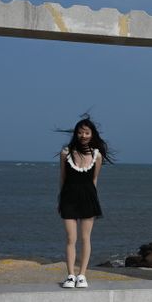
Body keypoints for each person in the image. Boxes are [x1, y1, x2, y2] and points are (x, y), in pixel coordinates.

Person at [57, 116, 112, 289]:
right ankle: (70, 275)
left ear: (92, 134)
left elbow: (94, 179)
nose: (83, 135)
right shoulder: (66, 153)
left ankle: (82, 275)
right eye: (80, 132)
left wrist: (95, 198)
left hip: (88, 199)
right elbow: (62, 178)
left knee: (85, 237)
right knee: (70, 238)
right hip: (68, 198)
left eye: (86, 132)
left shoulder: (97, 155)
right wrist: (60, 198)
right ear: (76, 134)